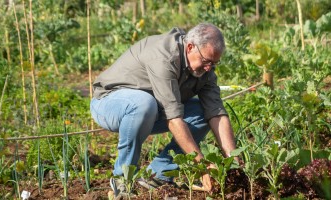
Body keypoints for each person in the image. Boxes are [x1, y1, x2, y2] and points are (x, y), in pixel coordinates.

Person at [90, 22, 238, 197]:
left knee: (201, 112)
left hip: (150, 110)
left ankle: (158, 175)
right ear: (190, 47)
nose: (208, 68)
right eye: (206, 61)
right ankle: (123, 177)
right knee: (144, 103)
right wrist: (202, 166)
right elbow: (174, 120)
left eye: (214, 63)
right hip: (109, 103)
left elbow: (217, 114)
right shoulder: (164, 57)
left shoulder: (205, 71)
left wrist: (233, 162)